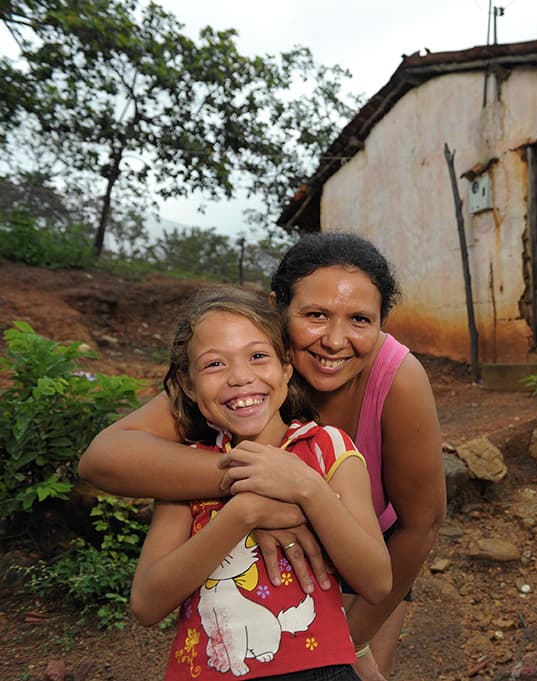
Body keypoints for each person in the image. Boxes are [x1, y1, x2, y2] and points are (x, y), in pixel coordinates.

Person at [79, 233, 447, 680]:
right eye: (315, 315)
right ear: (278, 309)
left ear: (381, 323)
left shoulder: (396, 379)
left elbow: (421, 525)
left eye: (359, 320)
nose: (335, 340)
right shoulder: (241, 374)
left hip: (367, 556)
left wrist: (352, 641)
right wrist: (258, 491)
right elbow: (102, 459)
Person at [132, 286, 391, 680]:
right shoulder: (186, 469)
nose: (240, 377)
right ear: (187, 384)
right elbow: (146, 604)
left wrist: (310, 490)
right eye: (214, 364)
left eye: (257, 356)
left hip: (319, 672)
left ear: (286, 367)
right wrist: (243, 513)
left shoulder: (327, 449)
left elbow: (377, 582)